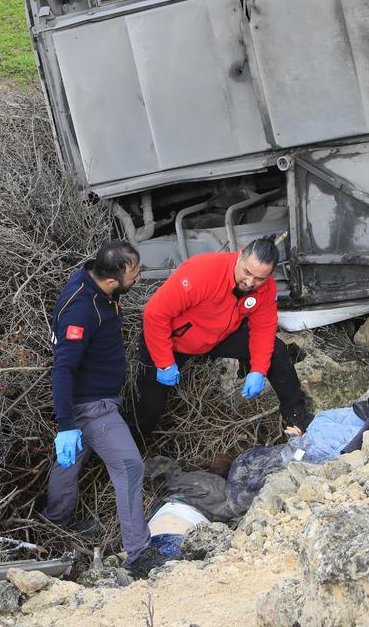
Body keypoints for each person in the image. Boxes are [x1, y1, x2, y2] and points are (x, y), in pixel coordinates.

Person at [42, 240, 171, 578]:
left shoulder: (98, 282)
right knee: (129, 466)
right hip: (92, 405)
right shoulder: (81, 310)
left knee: (70, 465)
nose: (139, 278)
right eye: (135, 273)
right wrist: (66, 424)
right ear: (112, 278)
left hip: (93, 400)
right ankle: (139, 553)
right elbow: (63, 368)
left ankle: (54, 526)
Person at [133, 237, 312, 437]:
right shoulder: (203, 271)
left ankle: (297, 420)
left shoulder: (265, 286)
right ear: (239, 258)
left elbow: (264, 328)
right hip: (173, 339)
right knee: (150, 407)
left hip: (218, 335)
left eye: (260, 278)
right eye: (247, 272)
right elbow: (155, 314)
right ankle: (135, 441)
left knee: (276, 351)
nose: (250, 282)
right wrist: (165, 362)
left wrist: (259, 370)